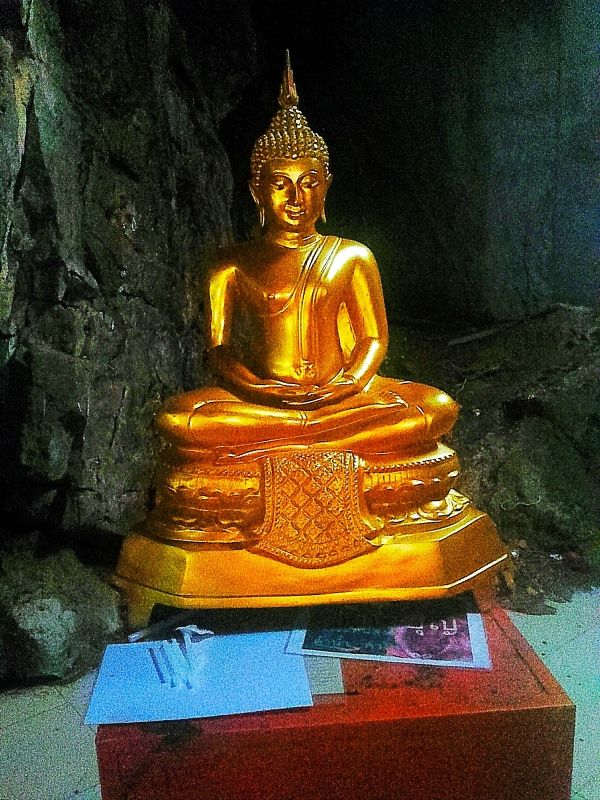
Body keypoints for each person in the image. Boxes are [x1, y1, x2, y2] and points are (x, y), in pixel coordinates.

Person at [156, 54, 458, 462]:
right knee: (181, 417)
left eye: (309, 183)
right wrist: (255, 388)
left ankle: (293, 443)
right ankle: (311, 440)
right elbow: (220, 349)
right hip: (262, 405)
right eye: (280, 184)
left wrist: (347, 384)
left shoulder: (352, 256)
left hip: (344, 401)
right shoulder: (230, 264)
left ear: (326, 187)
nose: (296, 198)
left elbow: (373, 339)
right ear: (256, 191)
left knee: (434, 407)